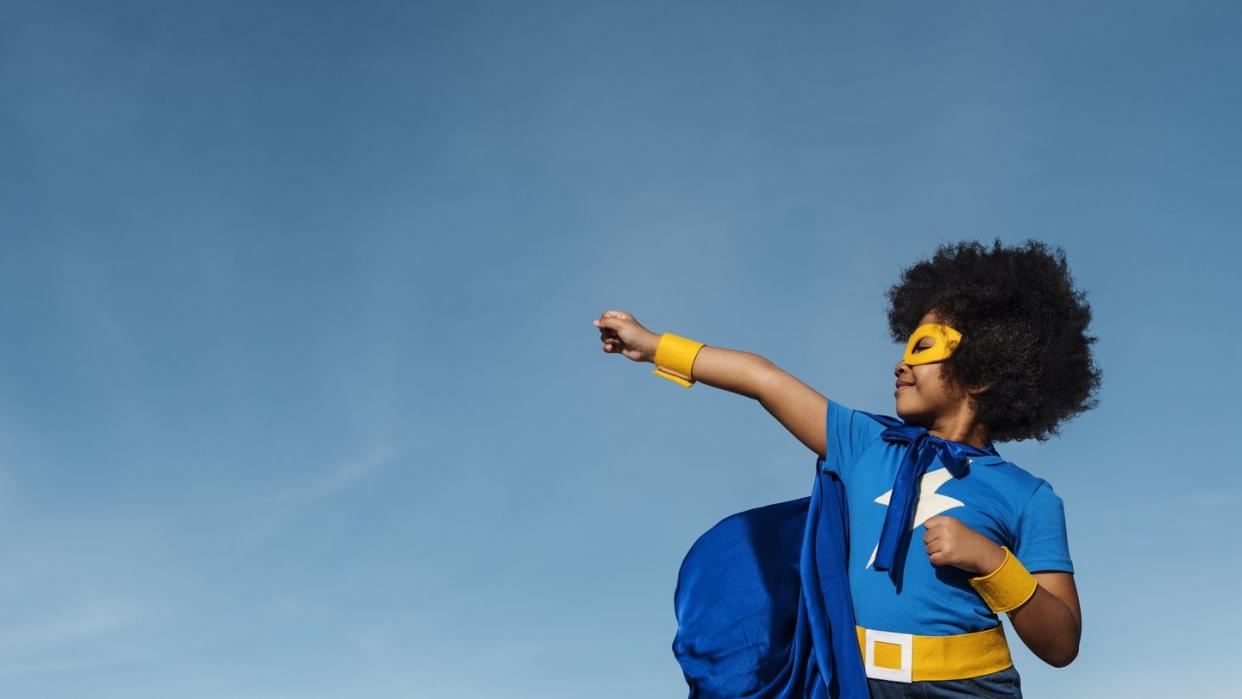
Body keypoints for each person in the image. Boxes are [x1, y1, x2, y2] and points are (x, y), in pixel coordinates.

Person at [592, 239, 1099, 698]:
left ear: (986, 371)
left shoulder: (1029, 496)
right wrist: (655, 345)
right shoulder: (862, 443)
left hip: (969, 691)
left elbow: (1061, 644)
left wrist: (992, 563)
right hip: (854, 685)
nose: (901, 364)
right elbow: (764, 379)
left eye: (923, 348)